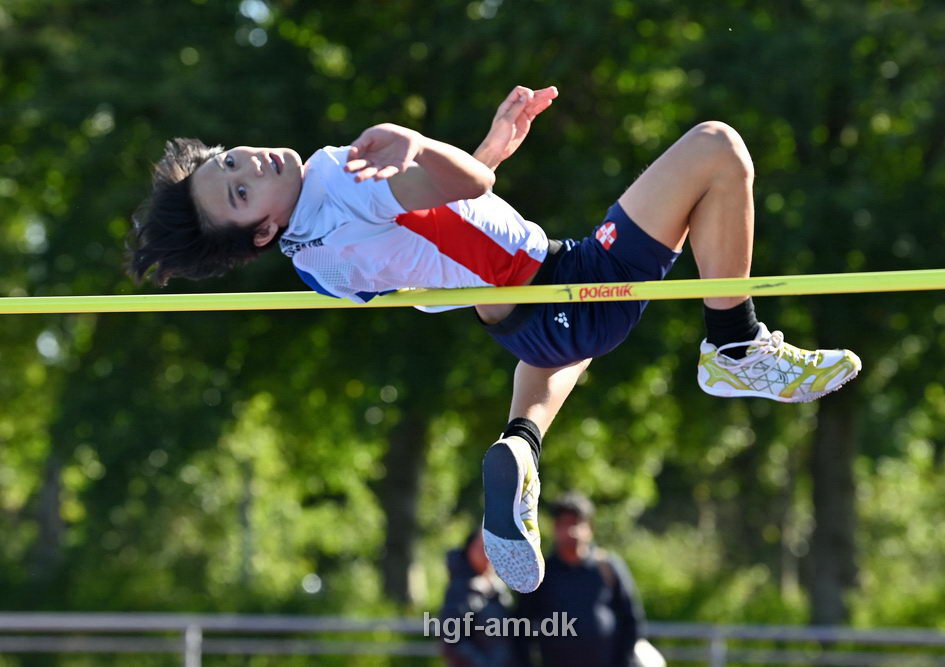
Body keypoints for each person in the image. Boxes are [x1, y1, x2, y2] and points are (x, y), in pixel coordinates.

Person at [128, 85, 862, 594]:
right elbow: (468, 193)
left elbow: (432, 231)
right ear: (260, 229)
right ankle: (735, 344)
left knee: (560, 352)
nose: (250, 165)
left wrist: (488, 149)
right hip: (561, 282)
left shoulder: (313, 264)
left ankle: (520, 446)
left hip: (520, 321)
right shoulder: (335, 174)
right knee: (716, 149)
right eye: (239, 191)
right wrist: (420, 144)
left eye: (230, 161)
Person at [514, 492, 654, 667]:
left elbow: (632, 620)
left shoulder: (607, 567)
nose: (572, 531)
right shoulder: (539, 573)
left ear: (590, 527)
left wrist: (625, 661)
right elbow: (521, 625)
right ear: (554, 528)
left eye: (577, 523)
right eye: (564, 524)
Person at [439, 529, 516, 667]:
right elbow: (452, 639)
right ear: (469, 550)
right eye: (482, 548)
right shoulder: (459, 590)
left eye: (492, 549)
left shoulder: (500, 588)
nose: (487, 555)